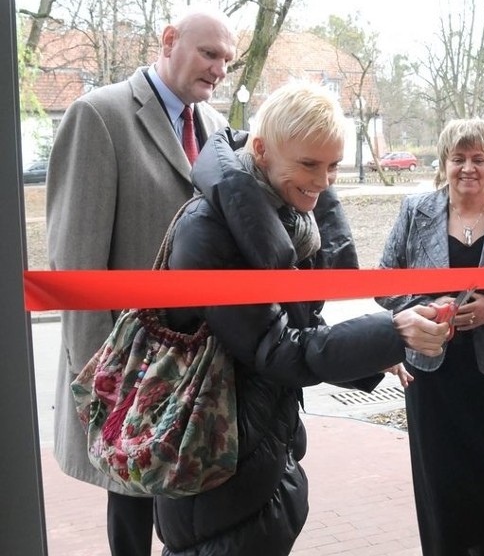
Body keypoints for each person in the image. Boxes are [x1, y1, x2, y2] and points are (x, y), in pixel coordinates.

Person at [152, 81, 448, 555]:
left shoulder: (285, 216)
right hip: (214, 461)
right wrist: (391, 334)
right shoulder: (209, 230)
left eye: (332, 166)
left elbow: (299, 331)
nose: (324, 181)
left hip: (256, 452)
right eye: (310, 164)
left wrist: (374, 353)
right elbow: (278, 349)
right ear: (263, 151)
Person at [46, 7, 237, 556]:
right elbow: (75, 263)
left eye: (226, 58)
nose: (220, 68)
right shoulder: (98, 115)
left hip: (199, 367)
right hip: (128, 370)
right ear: (169, 40)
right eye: (209, 53)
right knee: (130, 513)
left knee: (189, 515)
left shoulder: (219, 130)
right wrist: (99, 387)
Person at [376, 118, 484, 555]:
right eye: (458, 158)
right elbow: (384, 281)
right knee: (441, 484)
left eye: (478, 159)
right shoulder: (417, 211)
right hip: (433, 376)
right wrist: (416, 313)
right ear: (444, 163)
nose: (467, 168)